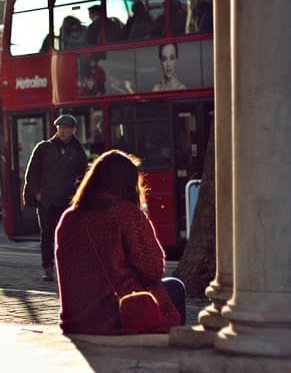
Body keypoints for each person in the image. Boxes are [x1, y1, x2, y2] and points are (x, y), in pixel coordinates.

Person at [55, 150, 185, 334]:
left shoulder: (68, 218)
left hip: (75, 321)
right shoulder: (127, 214)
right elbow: (153, 270)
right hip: (119, 315)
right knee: (175, 288)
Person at [23, 114, 88, 282]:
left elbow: (84, 177)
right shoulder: (43, 147)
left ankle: (65, 268)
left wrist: (77, 196)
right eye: (60, 128)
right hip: (46, 200)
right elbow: (31, 174)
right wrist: (37, 193)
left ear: (73, 130)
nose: (62, 131)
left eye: (65, 128)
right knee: (46, 235)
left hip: (66, 201)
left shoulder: (79, 152)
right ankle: (48, 268)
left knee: (66, 236)